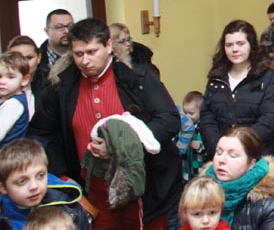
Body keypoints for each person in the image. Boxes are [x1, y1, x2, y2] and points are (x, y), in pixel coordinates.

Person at [28, 18, 181, 230]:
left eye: (92, 52)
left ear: (108, 46)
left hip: (146, 188)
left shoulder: (137, 77)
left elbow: (169, 119)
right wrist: (62, 176)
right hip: (91, 193)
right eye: (79, 54)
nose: (85, 60)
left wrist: (121, 145)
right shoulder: (61, 86)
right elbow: (41, 133)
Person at [199, 20, 274, 155]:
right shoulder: (217, 77)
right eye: (229, 45)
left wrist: (242, 145)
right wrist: (219, 148)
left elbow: (271, 117)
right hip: (222, 154)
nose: (234, 49)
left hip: (257, 154)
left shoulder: (267, 76)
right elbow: (207, 117)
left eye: (240, 43)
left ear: (251, 45)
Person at [204, 126, 274, 230]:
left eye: (233, 155)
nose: (221, 160)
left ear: (251, 163)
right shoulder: (200, 191)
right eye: (218, 152)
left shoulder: (272, 204)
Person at [0, 139, 91, 230]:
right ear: (3, 187)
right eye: (22, 181)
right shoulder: (3, 218)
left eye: (40, 176)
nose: (34, 186)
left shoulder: (67, 204)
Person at [0, 52, 31, 148]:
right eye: (0, 76)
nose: (2, 81)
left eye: (10, 77)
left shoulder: (13, 104)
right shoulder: (9, 99)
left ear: (24, 80)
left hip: (6, 154)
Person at [7, 36, 46, 108]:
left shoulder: (51, 85)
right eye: (18, 58)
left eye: (29, 58)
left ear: (39, 57)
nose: (25, 63)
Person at [178, 91, 206, 180]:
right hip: (186, 170)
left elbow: (210, 147)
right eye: (185, 113)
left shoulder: (204, 128)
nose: (187, 116)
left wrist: (200, 147)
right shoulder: (183, 127)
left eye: (191, 113)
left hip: (199, 170)